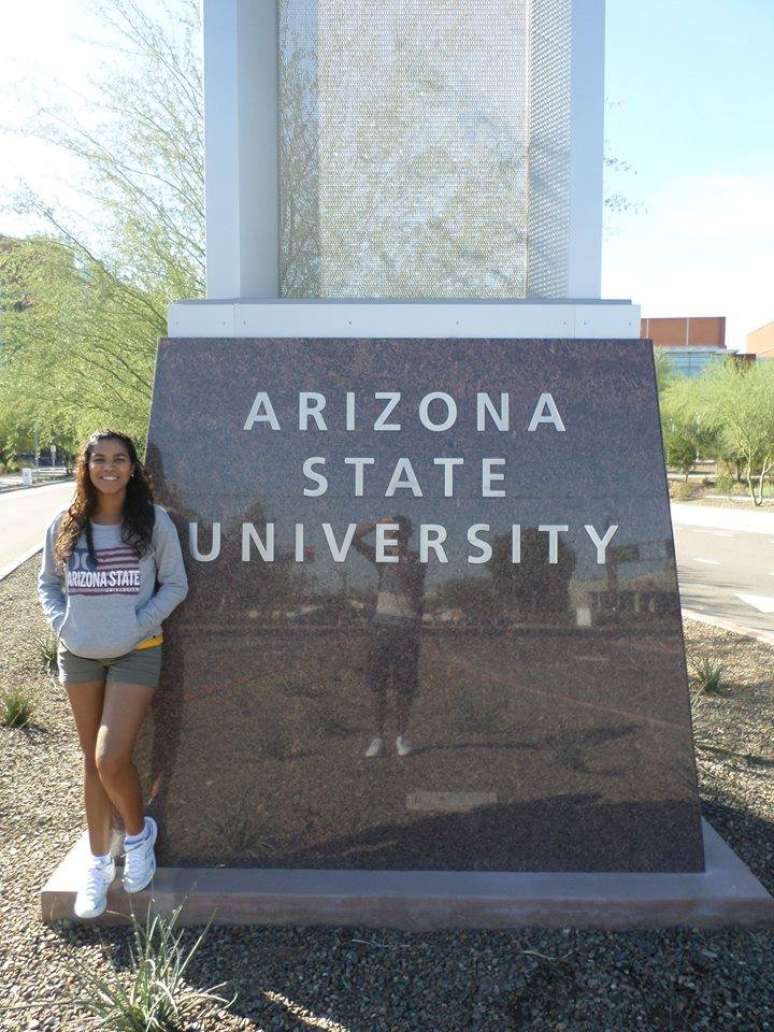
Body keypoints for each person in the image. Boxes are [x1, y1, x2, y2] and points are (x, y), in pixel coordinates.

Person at [37, 429, 188, 919]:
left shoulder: (152, 522)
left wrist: (137, 624)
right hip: (79, 654)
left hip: (136, 651)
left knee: (110, 756)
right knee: (90, 762)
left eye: (118, 459)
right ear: (86, 466)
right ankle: (99, 862)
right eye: (98, 459)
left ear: (132, 469)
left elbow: (175, 584)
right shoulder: (65, 524)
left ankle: (139, 835)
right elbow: (47, 584)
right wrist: (64, 624)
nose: (108, 467)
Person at [352, 515, 425, 757]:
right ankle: (377, 738)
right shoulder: (382, 558)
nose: (395, 536)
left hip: (406, 632)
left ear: (408, 535)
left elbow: (412, 585)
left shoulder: (417, 559)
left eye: (400, 532)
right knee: (378, 687)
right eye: (393, 532)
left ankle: (402, 736)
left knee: (404, 688)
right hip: (381, 630)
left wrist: (396, 553)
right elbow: (351, 539)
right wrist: (374, 524)